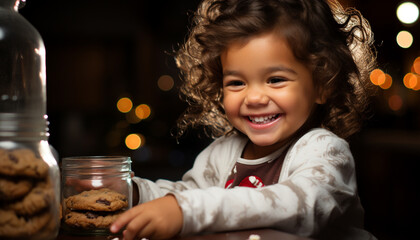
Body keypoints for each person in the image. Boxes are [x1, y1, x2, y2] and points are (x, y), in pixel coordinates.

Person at [110, 0, 378, 239]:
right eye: (237, 82)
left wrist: (187, 211)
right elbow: (188, 195)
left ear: (322, 85)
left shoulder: (326, 151)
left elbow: (302, 207)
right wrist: (133, 193)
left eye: (275, 80)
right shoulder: (223, 152)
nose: (254, 97)